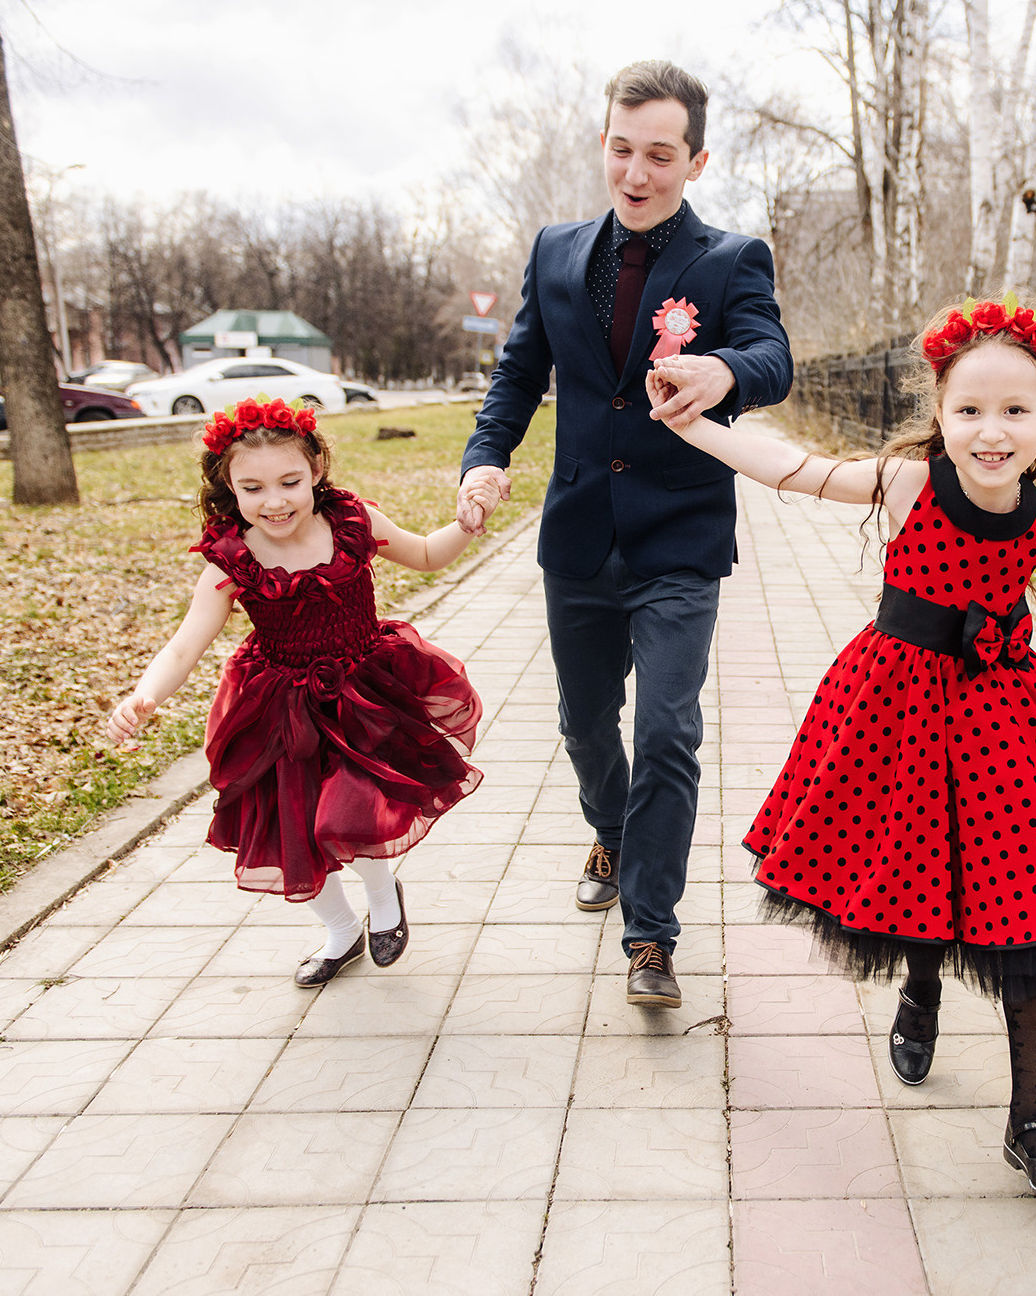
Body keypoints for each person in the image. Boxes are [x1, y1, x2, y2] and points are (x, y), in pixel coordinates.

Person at [653, 295, 1036, 1196]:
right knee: (918, 865)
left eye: (1016, 410)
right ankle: (921, 987)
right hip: (897, 707)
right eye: (970, 410)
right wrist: (698, 424)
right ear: (940, 413)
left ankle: (1030, 1119)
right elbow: (791, 467)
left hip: (1009, 716)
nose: (992, 431)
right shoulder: (910, 483)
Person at [455, 59, 792, 1009]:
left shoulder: (730, 259)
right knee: (583, 722)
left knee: (670, 732)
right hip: (577, 537)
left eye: (657, 155)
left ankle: (652, 932)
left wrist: (723, 371)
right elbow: (520, 373)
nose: (635, 173)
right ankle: (608, 826)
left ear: (694, 159)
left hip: (680, 534)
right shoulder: (558, 251)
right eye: (620, 150)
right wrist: (487, 457)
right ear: (603, 143)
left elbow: (773, 356)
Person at [106, 395, 484, 986]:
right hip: (279, 707)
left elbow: (429, 555)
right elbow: (184, 646)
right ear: (230, 488)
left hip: (364, 693)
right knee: (290, 827)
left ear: (316, 472)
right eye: (253, 489)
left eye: (290, 482)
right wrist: (143, 695)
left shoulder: (352, 522)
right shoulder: (232, 561)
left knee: (355, 811)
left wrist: (465, 524)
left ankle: (384, 900)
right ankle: (339, 931)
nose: (275, 501)